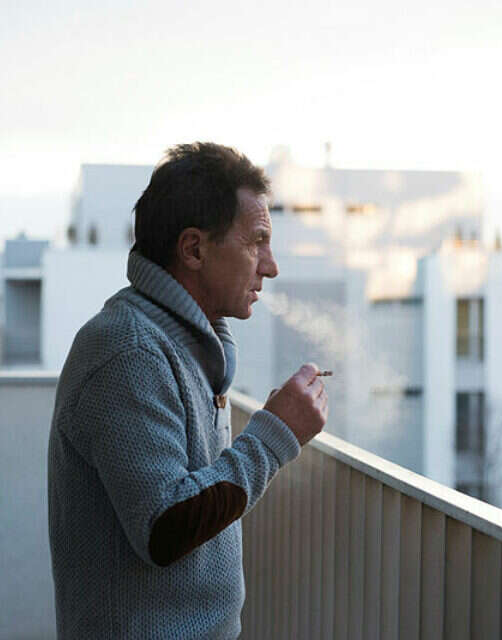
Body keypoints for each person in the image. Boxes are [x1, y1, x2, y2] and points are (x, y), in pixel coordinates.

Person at [47, 142, 329, 639]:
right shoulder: (129, 350)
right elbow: (165, 526)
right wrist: (275, 435)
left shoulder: (182, 345)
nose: (270, 266)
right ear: (194, 249)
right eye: (257, 242)